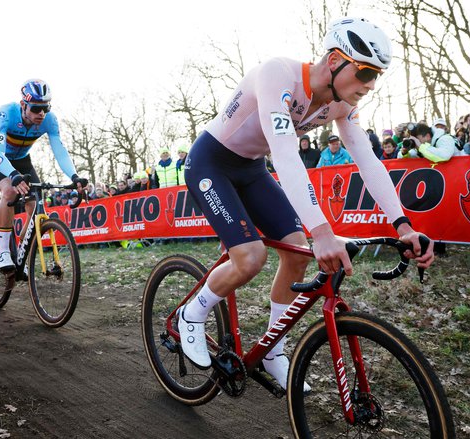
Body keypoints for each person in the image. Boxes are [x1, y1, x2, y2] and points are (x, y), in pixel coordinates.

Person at [179, 17, 434, 390]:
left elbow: (368, 161)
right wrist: (322, 231)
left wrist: (404, 226)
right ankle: (192, 314)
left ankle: (272, 352)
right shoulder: (277, 75)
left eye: (377, 75)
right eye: (364, 71)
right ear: (334, 61)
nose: (370, 85)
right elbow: (284, 155)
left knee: (298, 254)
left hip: (251, 169)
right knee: (250, 258)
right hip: (211, 162)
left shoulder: (341, 103)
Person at [0, 79, 87, 272]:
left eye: (45, 108)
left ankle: (21, 250)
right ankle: (3, 251)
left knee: (36, 204)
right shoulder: (6, 113)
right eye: (36, 109)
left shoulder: (49, 120)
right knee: (10, 191)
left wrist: (74, 176)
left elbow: (59, 150)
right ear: (23, 105)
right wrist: (12, 175)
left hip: (22, 160)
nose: (42, 114)